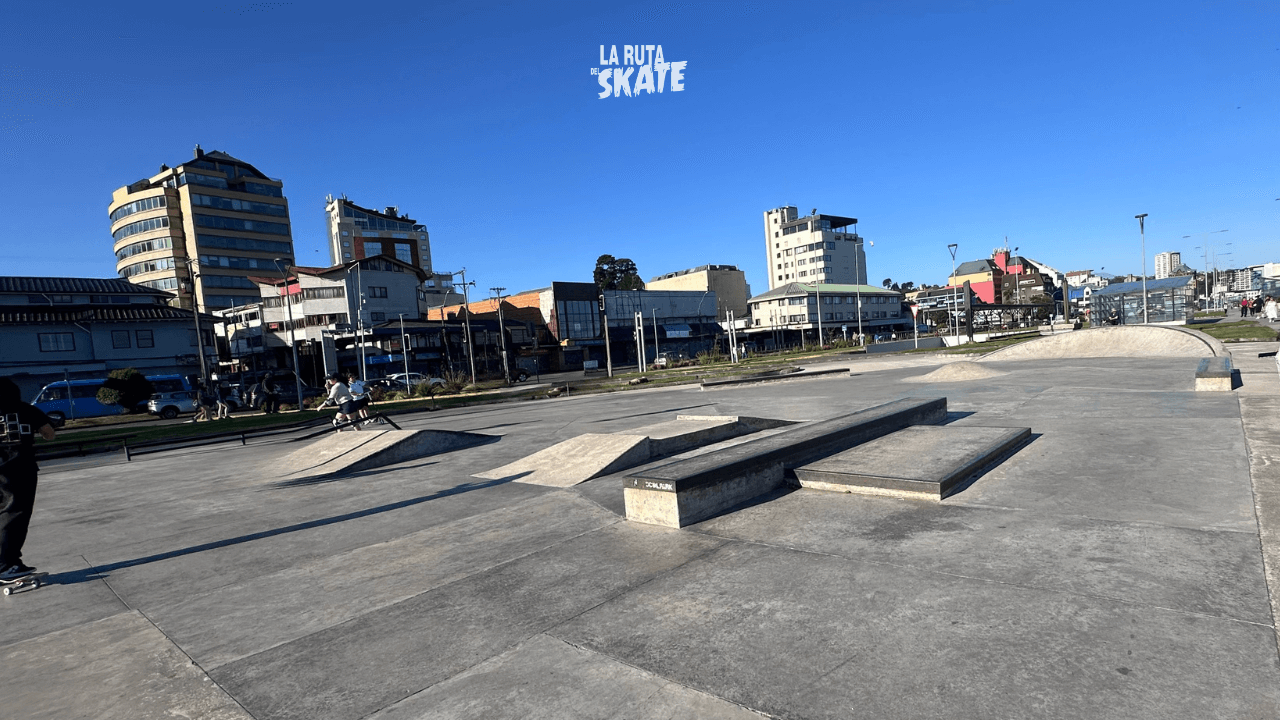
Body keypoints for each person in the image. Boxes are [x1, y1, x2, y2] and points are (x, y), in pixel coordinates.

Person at [0, 377, 56, 581]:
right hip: (19, 468)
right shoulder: (26, 410)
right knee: (15, 513)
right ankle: (6, 565)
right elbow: (49, 434)